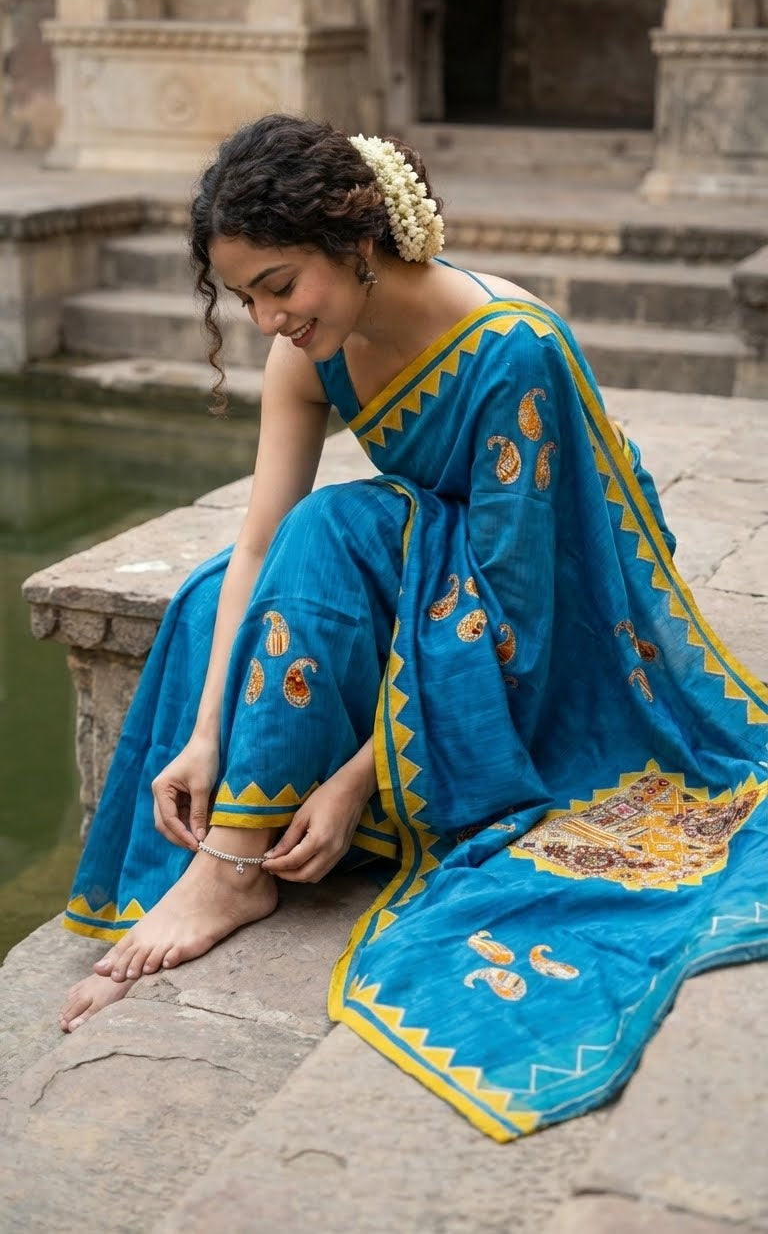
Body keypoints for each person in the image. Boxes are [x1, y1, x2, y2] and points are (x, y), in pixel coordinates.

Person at [59, 115, 768, 1142]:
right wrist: (206, 733)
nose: (264, 320)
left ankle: (232, 868)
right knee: (225, 594)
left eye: (280, 284)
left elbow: (517, 604)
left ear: (359, 245)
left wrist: (359, 781)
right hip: (447, 563)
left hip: (555, 587)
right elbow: (257, 543)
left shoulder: (510, 350)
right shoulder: (315, 350)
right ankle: (234, 827)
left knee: (340, 523)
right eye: (244, 295)